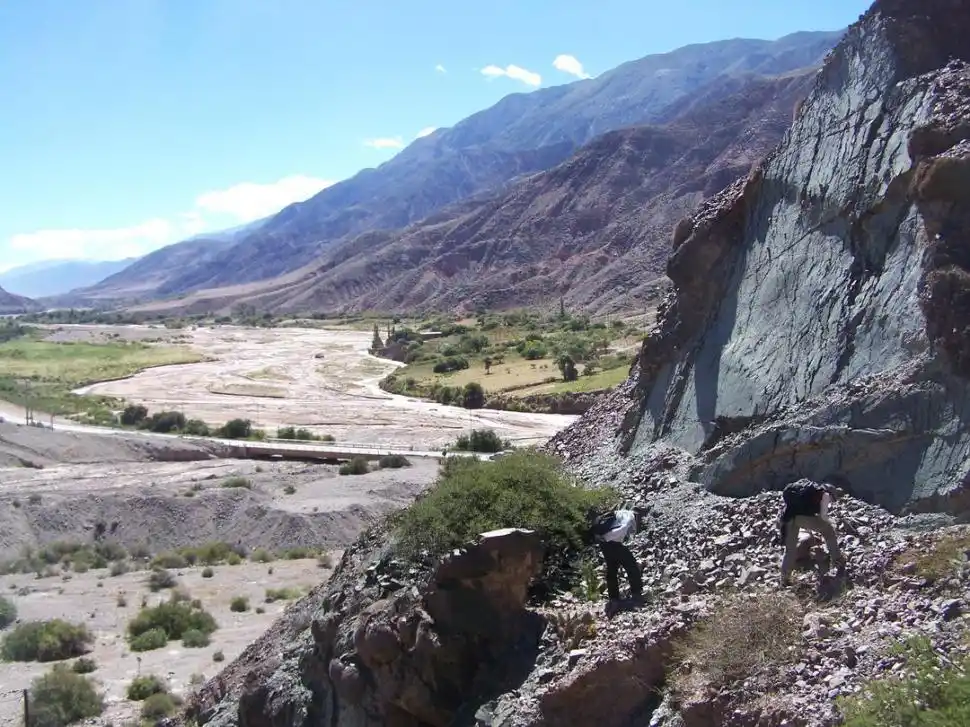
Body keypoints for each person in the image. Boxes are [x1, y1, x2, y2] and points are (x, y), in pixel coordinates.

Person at [776, 480, 846, 586]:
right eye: (833, 500)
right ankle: (837, 559)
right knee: (828, 531)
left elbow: (805, 510)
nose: (831, 502)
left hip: (788, 517)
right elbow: (823, 517)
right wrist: (830, 522)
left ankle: (784, 580)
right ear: (831, 493)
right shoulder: (825, 494)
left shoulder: (805, 492)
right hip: (802, 518)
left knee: (790, 550)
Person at [588, 506, 649, 604]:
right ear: (637, 514)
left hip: (604, 545)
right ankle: (636, 593)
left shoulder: (620, 513)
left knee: (612, 568)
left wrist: (603, 538)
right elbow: (623, 528)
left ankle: (613, 598)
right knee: (631, 565)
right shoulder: (630, 516)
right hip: (613, 543)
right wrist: (609, 537)